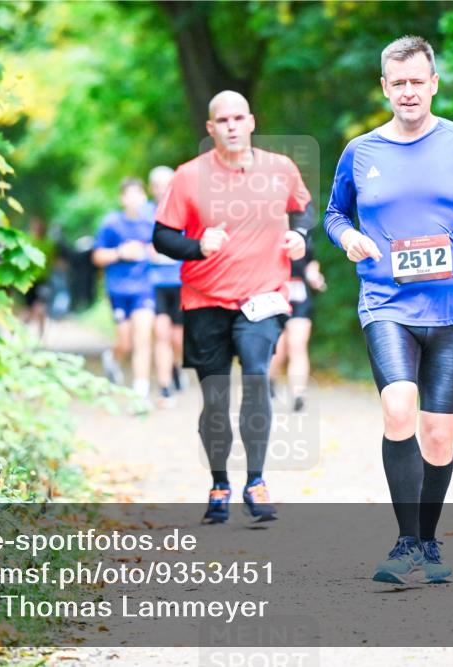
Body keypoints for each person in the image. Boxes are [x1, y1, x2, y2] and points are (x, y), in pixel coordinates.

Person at [324, 35, 453, 584]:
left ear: (433, 84)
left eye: (416, 82)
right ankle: (405, 543)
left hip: (450, 306)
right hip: (386, 302)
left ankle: (428, 542)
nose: (407, 91)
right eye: (396, 82)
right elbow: (334, 214)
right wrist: (349, 237)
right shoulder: (361, 151)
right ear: (385, 87)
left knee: (439, 435)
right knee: (399, 408)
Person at [152, 90, 313, 523]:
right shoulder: (187, 177)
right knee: (216, 397)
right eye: (223, 120)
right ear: (211, 128)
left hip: (262, 296)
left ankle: (256, 481)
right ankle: (220, 482)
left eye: (239, 118)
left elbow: (305, 211)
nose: (232, 126)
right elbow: (162, 238)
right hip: (204, 300)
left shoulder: (280, 169)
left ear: (252, 122)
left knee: (257, 375)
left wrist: (301, 237)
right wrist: (196, 246)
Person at [92, 177, 156, 400]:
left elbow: (160, 250)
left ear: (144, 197)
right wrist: (120, 252)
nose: (134, 199)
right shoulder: (111, 224)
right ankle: (113, 358)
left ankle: (141, 390)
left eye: (138, 194)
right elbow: (97, 257)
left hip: (144, 289)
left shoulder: (151, 224)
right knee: (125, 342)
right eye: (129, 195)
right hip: (118, 289)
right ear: (122, 199)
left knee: (143, 337)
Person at [146, 165, 186, 407]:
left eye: (167, 184)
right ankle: (165, 388)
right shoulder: (145, 215)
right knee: (161, 333)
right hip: (154, 284)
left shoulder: (187, 212)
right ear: (151, 188)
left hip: (181, 283)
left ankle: (176, 367)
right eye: (158, 185)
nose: (162, 190)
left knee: (177, 339)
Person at [269, 242, 326, 412]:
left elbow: (310, 262)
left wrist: (314, 276)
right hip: (274, 295)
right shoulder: (266, 230)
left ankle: (298, 394)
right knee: (278, 349)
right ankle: (269, 380)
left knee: (297, 345)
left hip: (299, 297)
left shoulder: (304, 232)